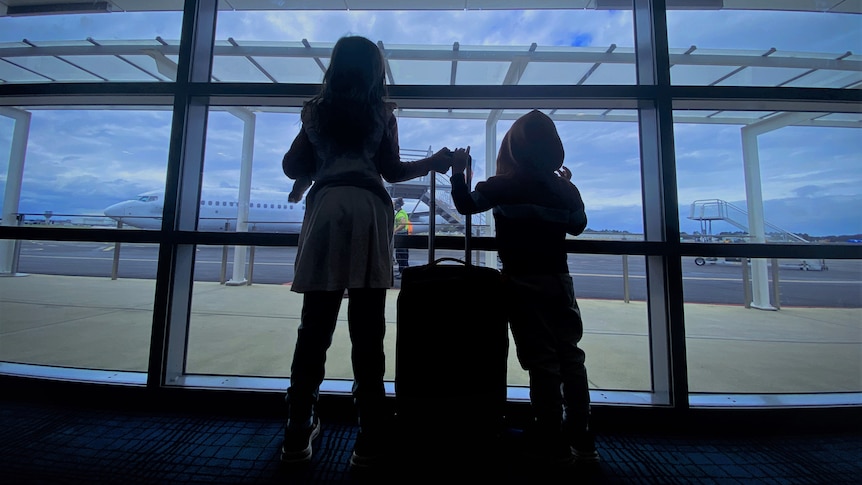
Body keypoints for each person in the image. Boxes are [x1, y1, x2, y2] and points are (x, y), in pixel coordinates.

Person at [280, 35, 453, 469]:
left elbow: (290, 165)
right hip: (369, 212)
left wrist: (318, 164)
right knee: (367, 331)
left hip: (327, 209)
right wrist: (434, 162)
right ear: (376, 71)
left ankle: (298, 430)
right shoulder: (382, 113)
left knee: (314, 329)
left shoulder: (315, 112)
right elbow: (392, 171)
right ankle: (371, 435)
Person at [448, 110, 597, 468]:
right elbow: (578, 226)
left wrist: (458, 173)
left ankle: (549, 436)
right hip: (559, 282)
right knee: (571, 357)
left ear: (512, 147)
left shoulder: (504, 185)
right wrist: (568, 185)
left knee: (542, 362)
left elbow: (465, 205)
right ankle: (582, 436)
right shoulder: (563, 189)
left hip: (521, 282)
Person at [392, 197, 412, 278]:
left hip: (401, 235)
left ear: (397, 205)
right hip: (403, 235)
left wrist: (395, 230)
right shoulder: (401, 212)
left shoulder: (400, 214)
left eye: (393, 204)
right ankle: (403, 272)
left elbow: (403, 224)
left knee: (401, 255)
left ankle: (403, 273)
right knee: (402, 255)